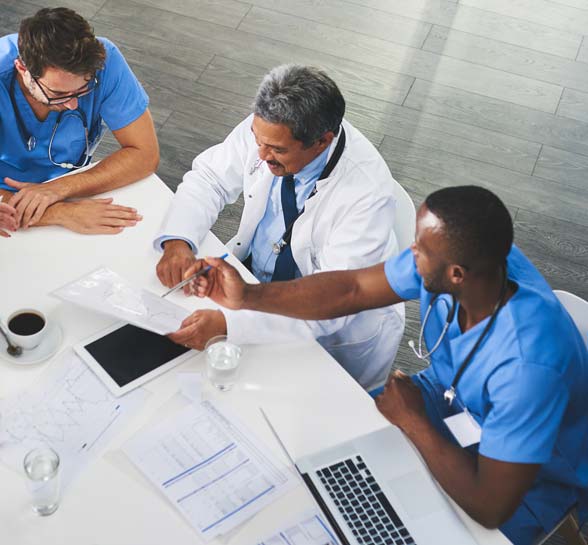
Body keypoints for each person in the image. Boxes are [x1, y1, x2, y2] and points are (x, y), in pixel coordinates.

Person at [186, 186, 588, 545]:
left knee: (389, 520)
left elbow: (491, 506)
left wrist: (413, 421)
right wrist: (249, 297)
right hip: (447, 399)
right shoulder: (474, 261)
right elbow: (353, 288)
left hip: (524, 479)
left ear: (457, 274)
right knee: (318, 454)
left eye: (420, 249)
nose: (411, 252)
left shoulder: (529, 368)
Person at [157, 64, 405, 391]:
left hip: (328, 329)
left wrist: (231, 325)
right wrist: (178, 241)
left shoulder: (367, 195)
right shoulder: (268, 129)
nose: (261, 155)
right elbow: (210, 179)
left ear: (322, 141)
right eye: (258, 141)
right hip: (251, 282)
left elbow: (334, 301)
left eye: (276, 150)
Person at [0, 7, 159, 234]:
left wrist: (58, 189)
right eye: (58, 94)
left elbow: (145, 154)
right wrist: (60, 213)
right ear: (22, 68)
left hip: (73, 188)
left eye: (84, 89)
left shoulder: (106, 61)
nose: (73, 105)